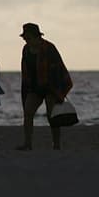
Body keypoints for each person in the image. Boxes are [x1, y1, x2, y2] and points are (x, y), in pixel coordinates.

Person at [17, 22, 73, 151]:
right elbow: (25, 70)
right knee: (28, 112)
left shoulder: (49, 47)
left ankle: (56, 145)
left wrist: (58, 91)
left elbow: (59, 68)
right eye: (25, 38)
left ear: (36, 36)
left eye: (28, 37)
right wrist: (27, 87)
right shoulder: (26, 49)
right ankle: (28, 144)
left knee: (51, 115)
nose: (26, 40)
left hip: (50, 87)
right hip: (35, 87)